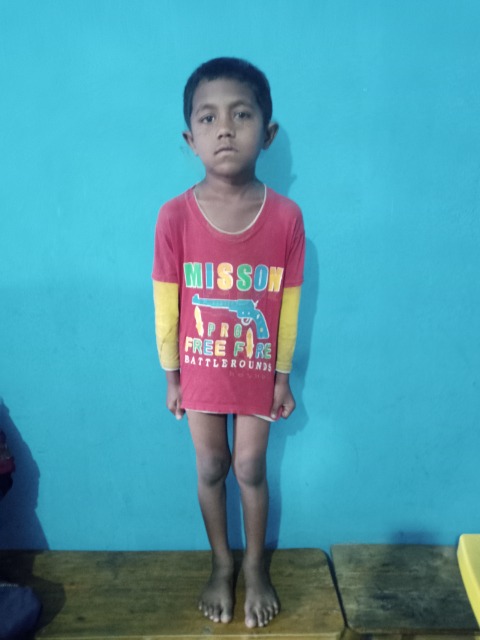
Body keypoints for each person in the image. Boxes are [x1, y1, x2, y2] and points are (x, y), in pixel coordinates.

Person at [152, 57, 305, 629]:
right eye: (208, 118)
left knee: (249, 466)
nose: (224, 129)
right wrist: (172, 375)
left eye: (241, 115)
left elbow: (287, 307)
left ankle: (255, 567)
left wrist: (282, 376)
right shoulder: (174, 216)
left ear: (267, 132)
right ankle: (222, 564)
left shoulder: (286, 217)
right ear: (190, 139)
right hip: (200, 368)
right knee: (212, 464)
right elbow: (167, 305)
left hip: (257, 369)